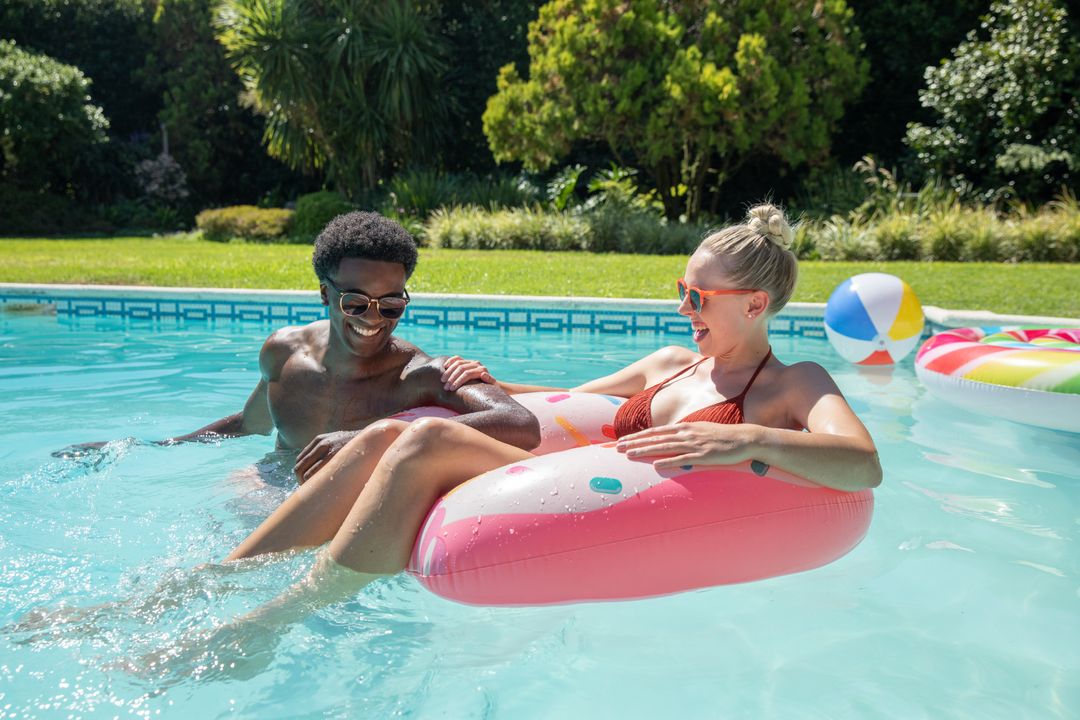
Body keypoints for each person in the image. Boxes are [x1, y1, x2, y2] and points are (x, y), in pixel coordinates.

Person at [146, 203, 880, 676]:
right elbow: (574, 401)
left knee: (418, 443)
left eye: (696, 297)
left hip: (612, 499)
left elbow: (861, 464)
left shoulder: (793, 383)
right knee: (381, 439)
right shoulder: (669, 365)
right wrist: (486, 378)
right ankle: (209, 582)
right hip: (575, 472)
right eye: (679, 289)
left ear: (755, 304)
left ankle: (268, 624)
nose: (681, 306)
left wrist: (747, 439)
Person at [53, 211, 541, 481]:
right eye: (356, 303)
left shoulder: (418, 376)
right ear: (326, 294)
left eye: (391, 305)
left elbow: (520, 425)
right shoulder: (283, 353)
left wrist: (367, 437)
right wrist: (152, 448)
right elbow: (252, 422)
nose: (374, 320)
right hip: (266, 486)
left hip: (340, 511)